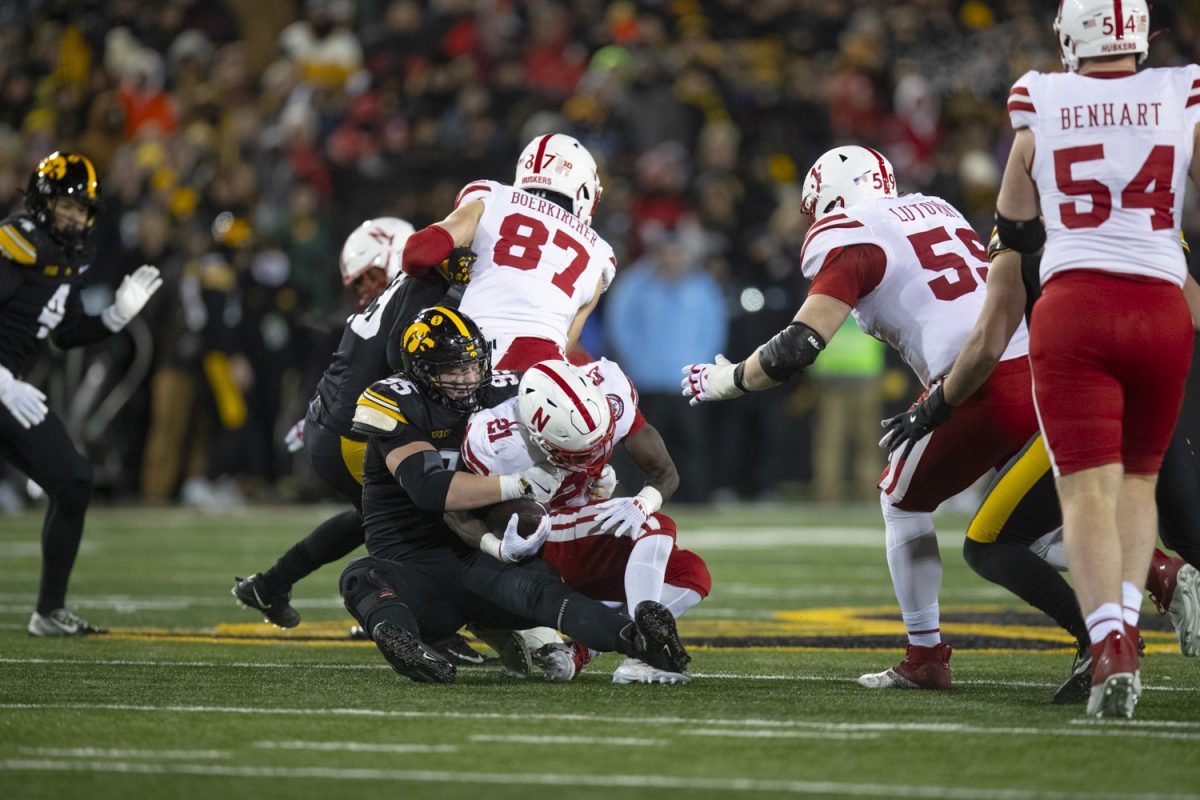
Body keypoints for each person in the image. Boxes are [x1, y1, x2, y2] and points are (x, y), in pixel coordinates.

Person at [885, 0, 1200, 718]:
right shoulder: (1179, 94)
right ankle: (1129, 606)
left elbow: (1013, 240)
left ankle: (1112, 643)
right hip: (1159, 307)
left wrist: (934, 402)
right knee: (1137, 488)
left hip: (1074, 308)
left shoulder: (1040, 102)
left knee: (1084, 493)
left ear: (1070, 38)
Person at [681, 145, 1038, 690]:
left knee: (901, 500)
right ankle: (1156, 575)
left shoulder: (852, 234)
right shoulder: (937, 208)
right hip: (1037, 365)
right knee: (1043, 523)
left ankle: (925, 656)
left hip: (976, 382)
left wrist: (725, 380)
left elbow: (796, 346)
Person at [340, 305, 691, 683]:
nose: (467, 378)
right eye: (452, 369)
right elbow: (429, 490)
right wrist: (517, 485)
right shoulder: (392, 399)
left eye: (473, 365)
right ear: (421, 371)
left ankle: (639, 641)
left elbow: (563, 435)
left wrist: (592, 474)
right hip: (414, 562)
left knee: (542, 588)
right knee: (363, 576)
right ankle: (407, 643)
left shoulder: (512, 389)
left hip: (482, 557)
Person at [232, 218, 469, 632]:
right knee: (420, 515)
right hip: (350, 428)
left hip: (337, 423)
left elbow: (355, 362)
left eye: (370, 276)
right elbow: (399, 356)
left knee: (373, 516)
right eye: (359, 282)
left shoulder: (405, 288)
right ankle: (406, 618)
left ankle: (271, 585)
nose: (364, 290)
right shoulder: (424, 288)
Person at [459, 358, 711, 684]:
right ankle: (646, 649)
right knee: (653, 525)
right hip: (541, 536)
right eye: (579, 453)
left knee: (690, 572)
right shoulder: (498, 440)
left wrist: (640, 500)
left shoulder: (611, 387)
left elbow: (664, 472)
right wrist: (497, 544)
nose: (592, 456)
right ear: (537, 438)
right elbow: (455, 508)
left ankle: (578, 653)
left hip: (578, 531)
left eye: (600, 442)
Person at [0, 151, 162, 636]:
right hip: (4, 385)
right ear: (42, 201)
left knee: (73, 480)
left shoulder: (70, 256)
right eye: (68, 205)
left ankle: (48, 611)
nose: (76, 216)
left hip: (10, 391)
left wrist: (115, 317)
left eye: (83, 209)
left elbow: (64, 333)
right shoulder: (16, 244)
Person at [400, 133, 615, 371]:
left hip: (465, 355)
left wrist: (445, 273)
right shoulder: (599, 254)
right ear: (584, 188)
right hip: (537, 367)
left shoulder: (493, 197)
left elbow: (416, 253)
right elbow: (566, 344)